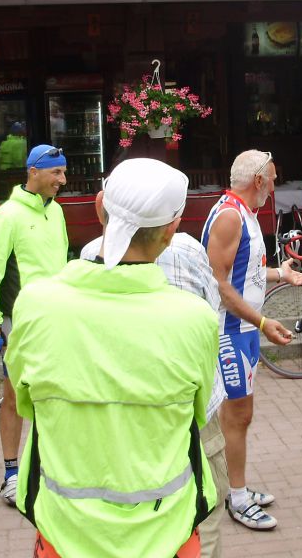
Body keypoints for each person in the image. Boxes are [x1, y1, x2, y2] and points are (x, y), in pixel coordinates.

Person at [5, 158, 219, 558]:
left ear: (99, 206)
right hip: (168, 533)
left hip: (63, 534)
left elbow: (25, 401)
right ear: (172, 231)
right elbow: (198, 412)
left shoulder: (35, 305)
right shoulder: (196, 319)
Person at [81, 230, 228, 558]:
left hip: (117, 411)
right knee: (202, 515)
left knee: (124, 518)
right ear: (172, 219)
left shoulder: (91, 252)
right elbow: (212, 315)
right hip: (191, 410)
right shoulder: (187, 249)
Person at [201, 149, 302, 531]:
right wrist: (263, 322)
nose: (275, 185)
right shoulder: (230, 216)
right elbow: (218, 283)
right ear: (259, 181)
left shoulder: (243, 212)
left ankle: (235, 488)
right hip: (231, 331)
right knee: (236, 416)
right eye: (274, 179)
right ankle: (238, 497)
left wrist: (281, 273)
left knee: (238, 416)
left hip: (242, 330)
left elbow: (246, 271)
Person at [0, 143, 68, 505]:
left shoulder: (56, 211)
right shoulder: (8, 215)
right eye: (55, 173)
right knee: (14, 395)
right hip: (22, 321)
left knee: (55, 393)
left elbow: (61, 263)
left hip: (57, 318)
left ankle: (50, 467)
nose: (62, 179)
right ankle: (11, 474)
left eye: (63, 172)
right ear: (33, 172)